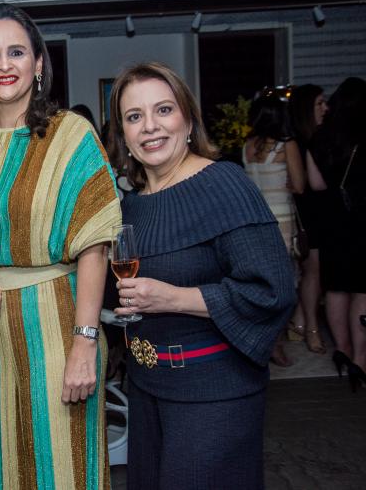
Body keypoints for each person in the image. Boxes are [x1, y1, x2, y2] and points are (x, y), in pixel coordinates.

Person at [0, 3, 122, 489]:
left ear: (38, 63)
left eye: (17, 52)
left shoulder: (70, 135)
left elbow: (94, 244)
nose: (4, 64)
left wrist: (84, 342)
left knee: (60, 465)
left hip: (57, 327)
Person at [107, 62, 294, 489]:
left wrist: (174, 298)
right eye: (134, 116)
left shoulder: (223, 183)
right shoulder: (132, 205)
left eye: (164, 110)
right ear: (123, 136)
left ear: (189, 121)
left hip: (214, 393)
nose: (150, 126)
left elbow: (273, 290)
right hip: (147, 387)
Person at [307, 76, 366, 392]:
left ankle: (341, 350)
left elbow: (316, 185)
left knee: (336, 288)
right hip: (360, 221)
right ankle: (360, 358)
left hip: (331, 222)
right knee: (361, 291)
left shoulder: (319, 138)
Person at [242, 92, 305, 366]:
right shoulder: (286, 145)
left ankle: (261, 341)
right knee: (285, 286)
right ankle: (275, 343)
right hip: (281, 222)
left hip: (255, 223)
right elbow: (300, 185)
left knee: (263, 286)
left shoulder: (247, 146)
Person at [288, 84, 328, 353]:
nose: (326, 108)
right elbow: (304, 185)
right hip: (306, 214)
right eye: (319, 103)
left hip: (315, 213)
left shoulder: (314, 137)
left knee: (310, 274)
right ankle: (311, 328)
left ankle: (299, 322)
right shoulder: (301, 141)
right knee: (311, 272)